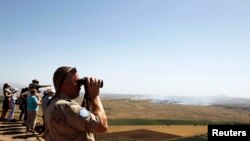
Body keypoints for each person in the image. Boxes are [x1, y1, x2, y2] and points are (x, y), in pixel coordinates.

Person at [45, 66, 108, 141]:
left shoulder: (53, 102)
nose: (80, 85)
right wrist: (95, 97)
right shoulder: (66, 106)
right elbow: (102, 125)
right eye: (77, 82)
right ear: (65, 83)